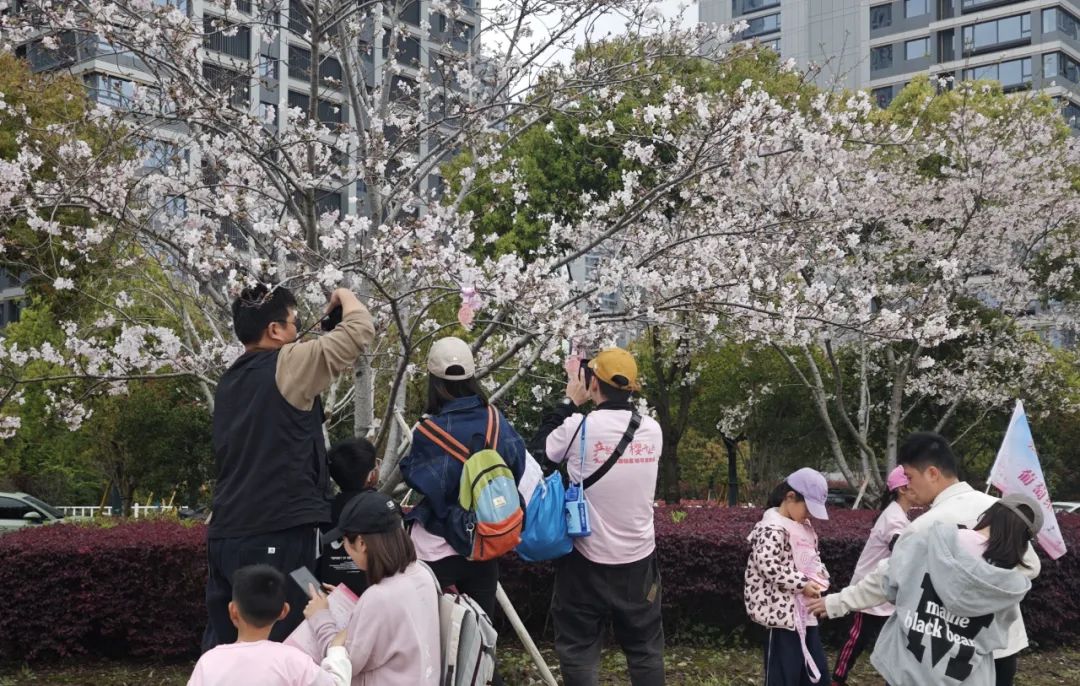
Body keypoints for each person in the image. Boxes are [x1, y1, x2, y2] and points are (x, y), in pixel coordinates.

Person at [205, 284, 375, 650]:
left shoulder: (230, 380)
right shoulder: (287, 362)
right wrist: (344, 295)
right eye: (295, 323)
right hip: (275, 536)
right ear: (275, 331)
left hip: (225, 536)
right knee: (285, 644)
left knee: (228, 647)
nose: (299, 332)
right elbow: (360, 328)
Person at [809, 432, 1041, 686]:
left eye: (909, 477)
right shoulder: (1002, 513)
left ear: (932, 473)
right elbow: (1030, 567)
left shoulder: (926, 527)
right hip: (996, 650)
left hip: (935, 656)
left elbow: (887, 578)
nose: (907, 486)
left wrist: (837, 602)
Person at [530, 347, 665, 686]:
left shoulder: (577, 427)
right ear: (631, 387)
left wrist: (567, 403)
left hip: (584, 561)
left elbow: (536, 455)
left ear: (593, 384)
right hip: (638, 562)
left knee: (578, 650)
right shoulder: (652, 430)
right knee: (645, 650)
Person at [398, 336, 527, 686]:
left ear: (434, 382)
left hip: (438, 551)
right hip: (484, 544)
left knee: (437, 640)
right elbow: (515, 466)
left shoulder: (428, 431)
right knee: (480, 638)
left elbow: (417, 476)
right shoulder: (496, 421)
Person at [869, 494, 1041, 685]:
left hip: (906, 668)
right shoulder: (1008, 586)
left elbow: (889, 583)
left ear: (990, 515)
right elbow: (996, 635)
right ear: (1023, 541)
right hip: (964, 674)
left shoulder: (933, 543)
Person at [302, 491, 440, 686]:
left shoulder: (379, 597)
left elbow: (342, 665)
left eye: (344, 541)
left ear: (361, 543)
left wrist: (320, 617)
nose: (346, 549)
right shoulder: (421, 573)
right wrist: (358, 609)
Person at [189, 564, 351, 686]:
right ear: (284, 611)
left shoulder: (209, 662)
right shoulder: (293, 661)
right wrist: (336, 648)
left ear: (232, 610)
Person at [744, 468, 832, 686]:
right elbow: (768, 564)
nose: (809, 515)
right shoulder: (771, 527)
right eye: (808, 508)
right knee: (783, 676)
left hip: (805, 614)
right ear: (790, 497)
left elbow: (813, 558)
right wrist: (802, 584)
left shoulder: (804, 527)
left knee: (815, 673)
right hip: (781, 617)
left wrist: (821, 577)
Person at [831, 466, 916, 684]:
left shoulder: (899, 514)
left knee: (890, 643)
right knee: (856, 639)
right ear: (903, 489)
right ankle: (837, 680)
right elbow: (898, 544)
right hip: (869, 589)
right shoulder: (894, 517)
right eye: (913, 481)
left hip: (885, 590)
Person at [318, 438, 379, 596]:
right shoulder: (383, 509)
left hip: (329, 596)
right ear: (371, 475)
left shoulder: (323, 510)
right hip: (373, 597)